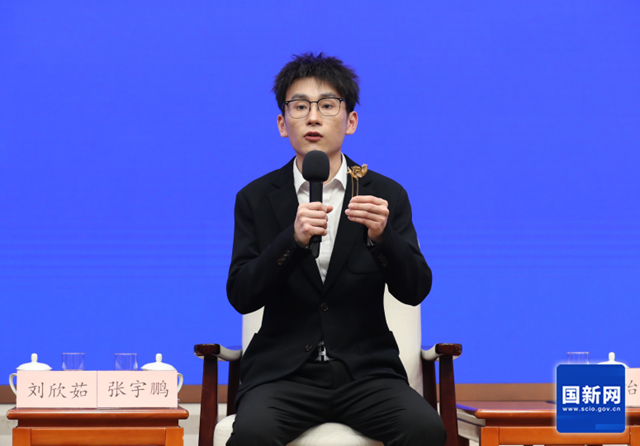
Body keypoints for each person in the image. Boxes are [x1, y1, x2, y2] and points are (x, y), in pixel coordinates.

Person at [226, 52, 445, 446]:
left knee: (426, 430)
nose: (313, 118)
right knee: (252, 434)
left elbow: (414, 289)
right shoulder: (255, 198)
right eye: (299, 106)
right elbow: (242, 294)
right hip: (283, 375)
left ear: (351, 121)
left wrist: (383, 239)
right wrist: (291, 241)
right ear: (282, 123)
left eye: (327, 105)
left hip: (367, 373)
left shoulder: (384, 194)